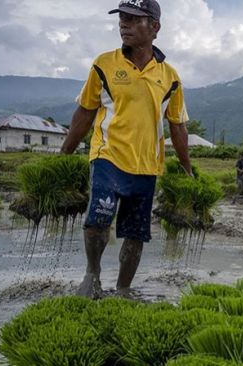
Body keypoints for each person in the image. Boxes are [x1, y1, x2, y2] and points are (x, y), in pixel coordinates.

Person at [60, 0, 193, 299]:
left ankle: (123, 288)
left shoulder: (170, 77)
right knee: (99, 216)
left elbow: (178, 126)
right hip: (108, 156)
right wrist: (63, 155)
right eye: (122, 18)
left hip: (147, 166)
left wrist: (187, 170)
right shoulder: (104, 64)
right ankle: (92, 275)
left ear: (155, 28)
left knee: (136, 232)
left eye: (134, 19)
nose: (124, 24)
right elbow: (84, 112)